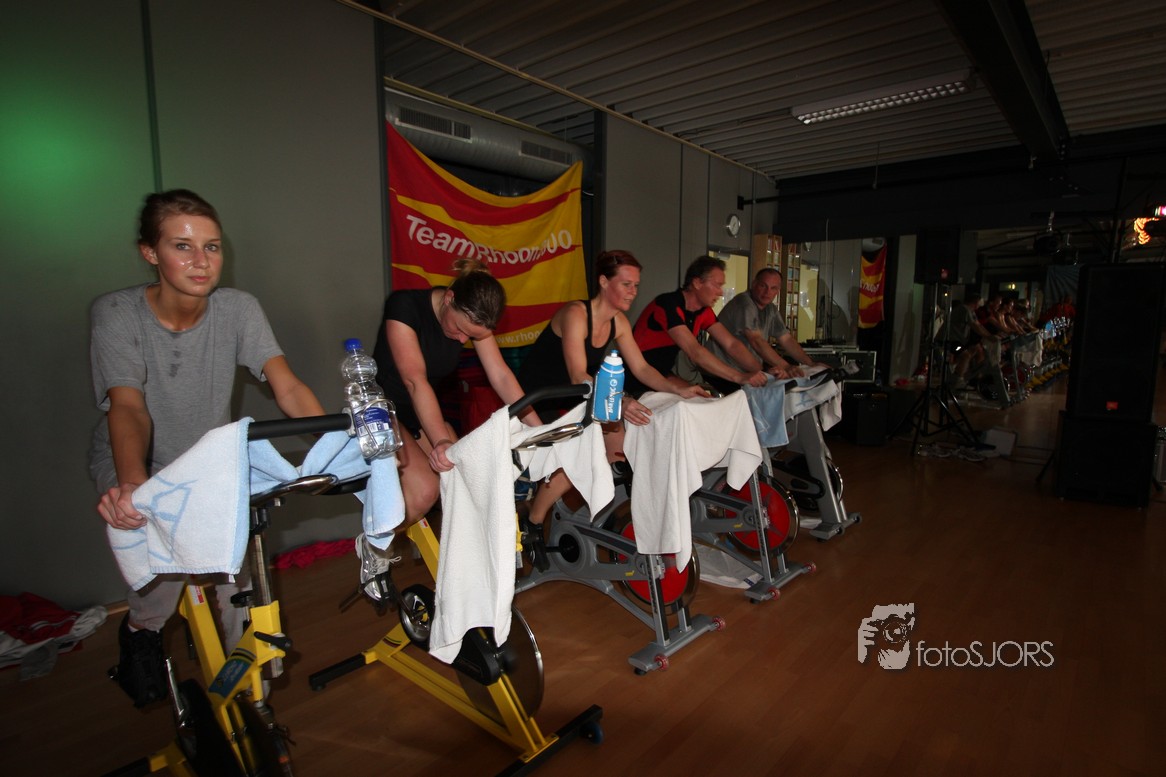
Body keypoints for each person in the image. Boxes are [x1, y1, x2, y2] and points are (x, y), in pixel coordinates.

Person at [89, 189, 325, 707]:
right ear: (150, 252)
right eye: (183, 246)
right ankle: (142, 632)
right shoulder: (118, 313)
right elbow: (127, 407)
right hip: (141, 459)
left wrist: (340, 444)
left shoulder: (238, 309)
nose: (201, 261)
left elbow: (287, 386)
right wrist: (132, 484)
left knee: (240, 573)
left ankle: (250, 691)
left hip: (206, 460)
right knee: (161, 579)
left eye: (212, 247)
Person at [516, 250, 706, 542]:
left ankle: (596, 515)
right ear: (604, 282)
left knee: (617, 444)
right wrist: (621, 400)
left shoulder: (619, 321)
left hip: (576, 396)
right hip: (539, 398)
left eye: (636, 285)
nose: (633, 292)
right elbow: (578, 374)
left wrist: (678, 389)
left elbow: (641, 368)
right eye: (626, 284)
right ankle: (535, 520)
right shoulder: (576, 314)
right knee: (579, 451)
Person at [371, 258, 536, 528]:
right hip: (380, 408)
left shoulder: (471, 319)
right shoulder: (404, 305)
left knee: (467, 484)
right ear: (449, 298)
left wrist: (540, 429)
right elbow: (415, 381)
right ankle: (374, 544)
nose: (462, 340)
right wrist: (441, 442)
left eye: (471, 336)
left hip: (417, 411)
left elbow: (501, 376)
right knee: (425, 492)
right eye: (460, 329)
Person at [627, 256, 769, 396]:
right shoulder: (667, 304)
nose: (721, 292)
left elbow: (731, 344)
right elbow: (695, 351)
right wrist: (739, 377)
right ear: (697, 283)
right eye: (717, 285)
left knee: (706, 400)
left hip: (661, 374)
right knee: (701, 403)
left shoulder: (703, 311)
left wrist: (763, 373)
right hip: (635, 377)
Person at [703, 267, 829, 393]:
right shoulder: (745, 304)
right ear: (754, 284)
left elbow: (786, 339)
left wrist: (810, 364)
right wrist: (786, 366)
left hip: (746, 371)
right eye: (763, 286)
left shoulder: (770, 309)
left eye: (773, 288)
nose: (767, 292)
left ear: (778, 291)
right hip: (721, 372)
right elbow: (756, 341)